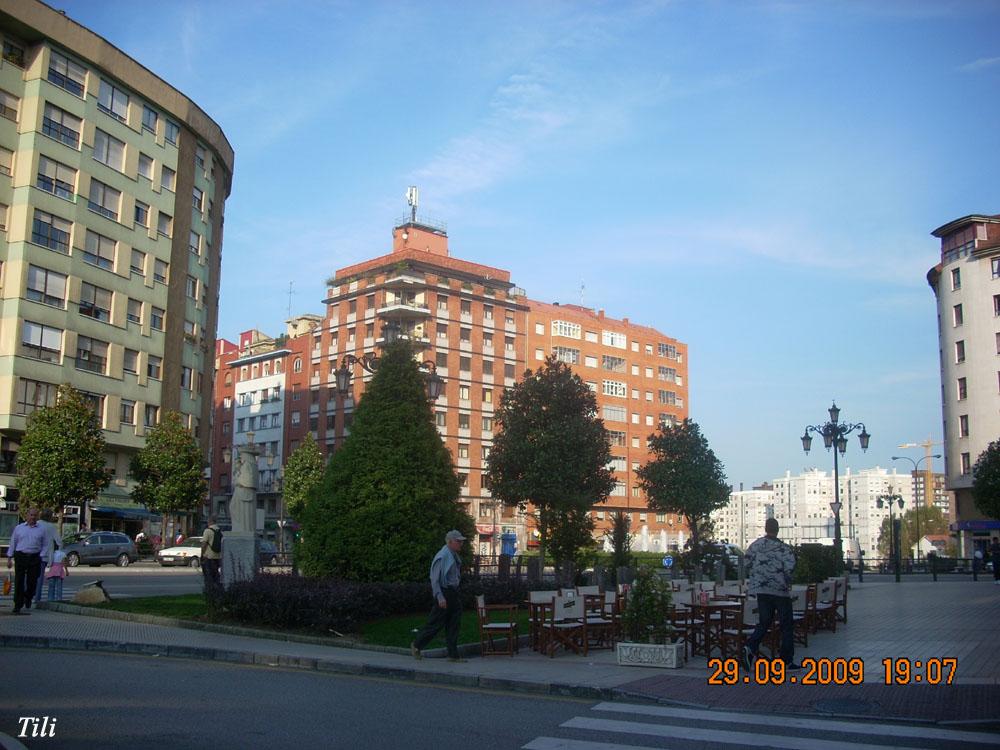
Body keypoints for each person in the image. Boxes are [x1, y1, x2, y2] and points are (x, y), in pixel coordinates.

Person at [742, 517, 799, 673]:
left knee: (764, 622)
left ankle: (750, 646)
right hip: (780, 591)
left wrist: (758, 575)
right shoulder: (784, 549)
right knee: (786, 625)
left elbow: (746, 563)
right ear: (777, 529)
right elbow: (790, 569)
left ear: (766, 528)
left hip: (761, 591)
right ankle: (786, 661)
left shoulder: (755, 546)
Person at [411, 530, 467, 662]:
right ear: (450, 542)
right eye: (458, 541)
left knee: (454, 624)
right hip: (444, 592)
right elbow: (434, 579)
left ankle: (453, 655)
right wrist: (440, 597)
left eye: (461, 541)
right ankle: (417, 645)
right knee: (436, 623)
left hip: (453, 592)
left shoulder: (452, 556)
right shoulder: (442, 556)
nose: (461, 544)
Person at [6, 507, 47, 614]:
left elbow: (45, 545)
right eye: (31, 515)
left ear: (37, 517)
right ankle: (17, 604)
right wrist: (9, 557)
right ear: (27, 516)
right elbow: (13, 543)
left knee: (32, 581)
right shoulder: (19, 528)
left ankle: (28, 597)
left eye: (35, 515)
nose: (33, 517)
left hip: (35, 557)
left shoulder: (41, 529)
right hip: (21, 556)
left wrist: (41, 556)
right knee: (19, 581)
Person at [34, 509, 59, 604]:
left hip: (34, 553)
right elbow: (58, 540)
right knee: (40, 577)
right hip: (45, 555)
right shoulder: (51, 527)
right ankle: (37, 598)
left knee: (30, 576)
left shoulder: (37, 524)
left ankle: (26, 595)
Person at [200, 517, 222, 592]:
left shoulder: (207, 531)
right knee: (216, 575)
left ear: (210, 522)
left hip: (209, 556)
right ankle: (218, 590)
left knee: (208, 575)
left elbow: (204, 544)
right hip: (218, 557)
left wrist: (202, 554)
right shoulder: (219, 531)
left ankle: (209, 591)